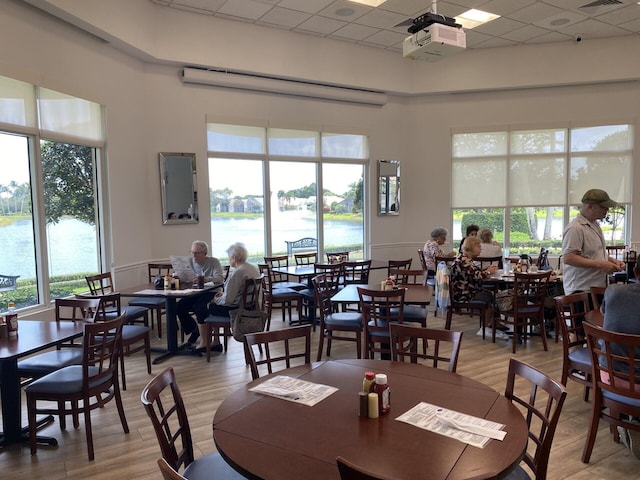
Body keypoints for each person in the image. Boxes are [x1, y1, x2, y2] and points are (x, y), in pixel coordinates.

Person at [601, 257, 640, 459]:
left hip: (610, 376)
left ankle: (630, 420)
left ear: (635, 272)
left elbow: (605, 316)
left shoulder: (613, 291)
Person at [191, 242, 259, 352]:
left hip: (234, 310)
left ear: (234, 258)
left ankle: (204, 342)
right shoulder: (251, 268)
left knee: (200, 307)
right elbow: (236, 293)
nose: (229, 260)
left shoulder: (237, 273)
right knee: (206, 304)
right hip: (248, 307)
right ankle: (215, 341)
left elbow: (228, 300)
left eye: (229, 257)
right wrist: (221, 295)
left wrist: (215, 299)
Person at [562, 189, 625, 298]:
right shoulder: (575, 228)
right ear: (590, 206)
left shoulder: (594, 225)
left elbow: (595, 253)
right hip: (581, 289)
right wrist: (602, 265)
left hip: (595, 287)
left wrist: (612, 261)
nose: (607, 209)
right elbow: (569, 258)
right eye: (603, 206)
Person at [176, 240, 224, 345]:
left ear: (205, 253)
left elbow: (220, 278)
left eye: (197, 253)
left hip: (211, 291)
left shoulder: (213, 262)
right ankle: (194, 329)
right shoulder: (189, 261)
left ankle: (203, 337)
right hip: (194, 291)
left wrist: (205, 279)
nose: (194, 255)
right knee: (179, 306)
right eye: (192, 252)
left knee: (199, 307)